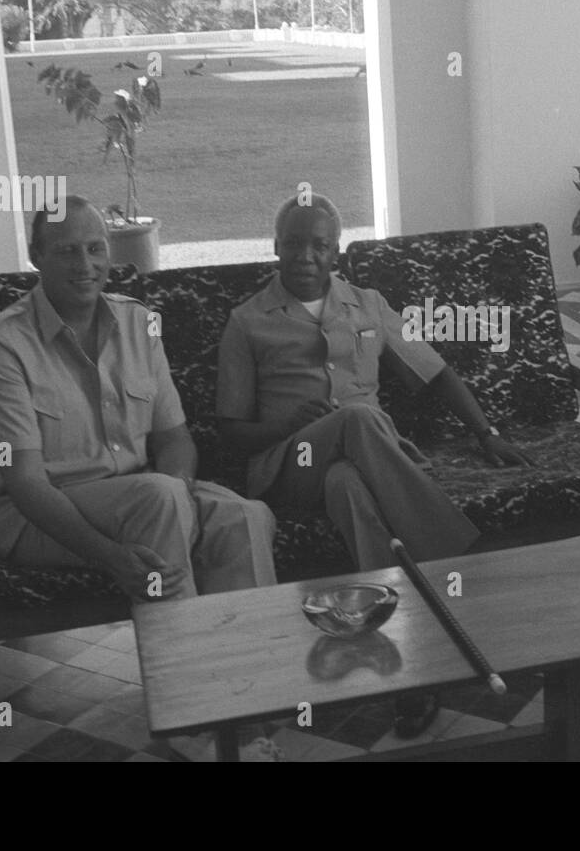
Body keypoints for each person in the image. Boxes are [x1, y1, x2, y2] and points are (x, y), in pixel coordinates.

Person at [216, 192, 534, 736]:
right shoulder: (247, 322)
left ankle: (412, 676)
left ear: (336, 252)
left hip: (357, 465)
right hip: (290, 467)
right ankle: (461, 562)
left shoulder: (368, 304)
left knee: (351, 489)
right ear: (275, 248)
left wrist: (487, 435)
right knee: (358, 421)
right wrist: (291, 422)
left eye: (319, 245)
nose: (306, 256)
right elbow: (231, 432)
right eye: (294, 243)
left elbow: (435, 373)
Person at [0, 196, 278, 603]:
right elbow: (24, 483)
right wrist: (110, 556)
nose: (86, 265)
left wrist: (182, 495)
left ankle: (245, 660)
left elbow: (174, 439)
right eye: (67, 251)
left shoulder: (139, 323)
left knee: (244, 516)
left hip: (139, 497)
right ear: (35, 256)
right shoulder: (2, 346)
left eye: (96, 248)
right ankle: (179, 659)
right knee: (158, 498)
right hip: (35, 516)